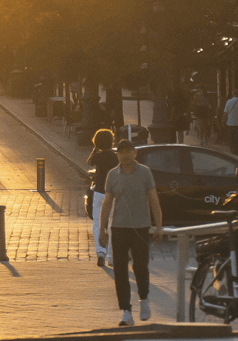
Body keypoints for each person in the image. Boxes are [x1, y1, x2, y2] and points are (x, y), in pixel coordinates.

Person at [97, 139, 162, 327]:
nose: (124, 155)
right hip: (118, 228)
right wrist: (102, 229)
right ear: (117, 154)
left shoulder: (145, 173)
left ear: (135, 153)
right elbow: (107, 203)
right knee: (120, 270)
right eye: (121, 152)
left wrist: (158, 226)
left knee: (141, 266)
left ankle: (144, 299)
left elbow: (153, 199)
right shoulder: (112, 175)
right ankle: (126, 311)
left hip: (140, 227)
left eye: (128, 151)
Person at [84, 128, 117, 268]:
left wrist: (95, 148)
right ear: (111, 141)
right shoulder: (115, 156)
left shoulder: (98, 157)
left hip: (98, 193)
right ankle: (111, 255)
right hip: (113, 194)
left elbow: (89, 162)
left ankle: (100, 252)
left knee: (98, 223)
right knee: (112, 224)